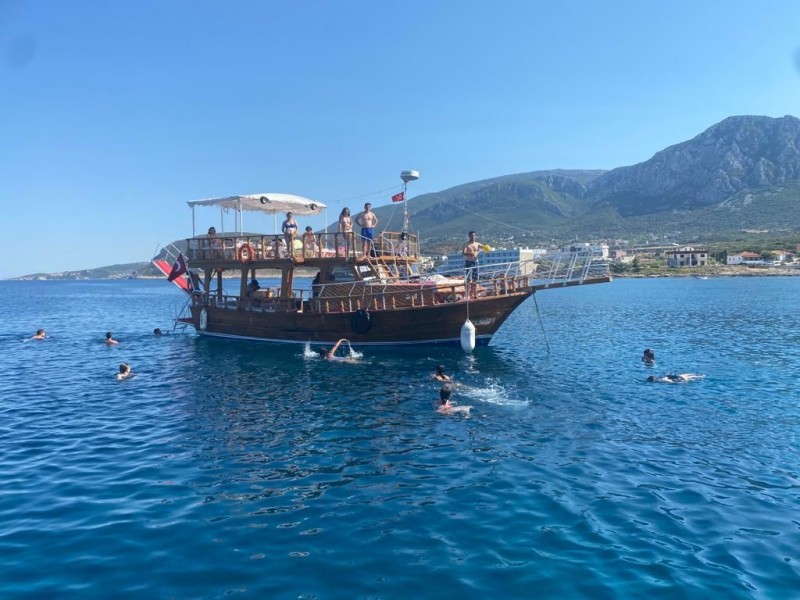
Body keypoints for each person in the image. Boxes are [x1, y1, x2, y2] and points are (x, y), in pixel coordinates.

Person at [463, 230, 481, 297]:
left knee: (475, 278)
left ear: (475, 236)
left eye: (474, 235)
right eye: (471, 235)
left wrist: (487, 248)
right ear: (469, 236)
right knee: (468, 278)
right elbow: (464, 252)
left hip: (476, 262)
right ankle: (468, 294)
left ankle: (474, 293)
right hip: (468, 262)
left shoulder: (477, 244)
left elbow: (484, 247)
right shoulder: (466, 244)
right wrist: (470, 253)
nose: (473, 237)